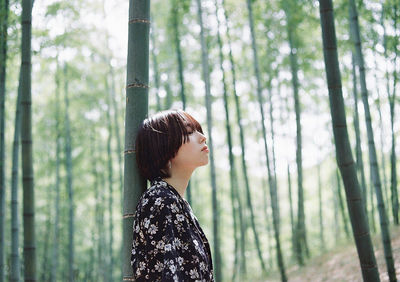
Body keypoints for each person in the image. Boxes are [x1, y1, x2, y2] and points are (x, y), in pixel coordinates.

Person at [130, 109, 214, 282]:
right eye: (190, 132)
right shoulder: (160, 200)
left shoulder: (175, 202)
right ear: (164, 146)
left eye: (199, 130)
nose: (202, 137)